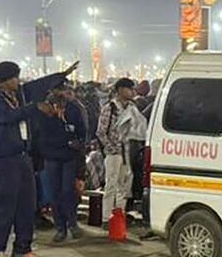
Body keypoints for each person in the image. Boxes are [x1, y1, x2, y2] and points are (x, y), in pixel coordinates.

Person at [0, 61, 42, 257]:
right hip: (4, 159)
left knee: (27, 204)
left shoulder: (17, 98)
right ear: (5, 80)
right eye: (15, 77)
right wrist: (30, 109)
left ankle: (22, 248)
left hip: (23, 157)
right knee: (6, 204)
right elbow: (4, 117)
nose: (18, 81)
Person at [32, 91, 84, 242]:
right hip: (51, 158)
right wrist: (66, 142)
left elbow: (81, 131)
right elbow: (42, 139)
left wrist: (77, 142)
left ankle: (73, 224)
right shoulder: (44, 117)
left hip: (69, 158)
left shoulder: (73, 111)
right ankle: (60, 227)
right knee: (54, 194)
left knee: (68, 192)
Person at [96, 78, 145, 225]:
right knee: (111, 185)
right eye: (129, 89)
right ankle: (106, 218)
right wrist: (111, 149)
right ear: (120, 90)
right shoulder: (109, 108)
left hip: (127, 152)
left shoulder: (131, 107)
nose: (132, 92)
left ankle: (119, 216)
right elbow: (100, 132)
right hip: (114, 153)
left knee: (124, 187)